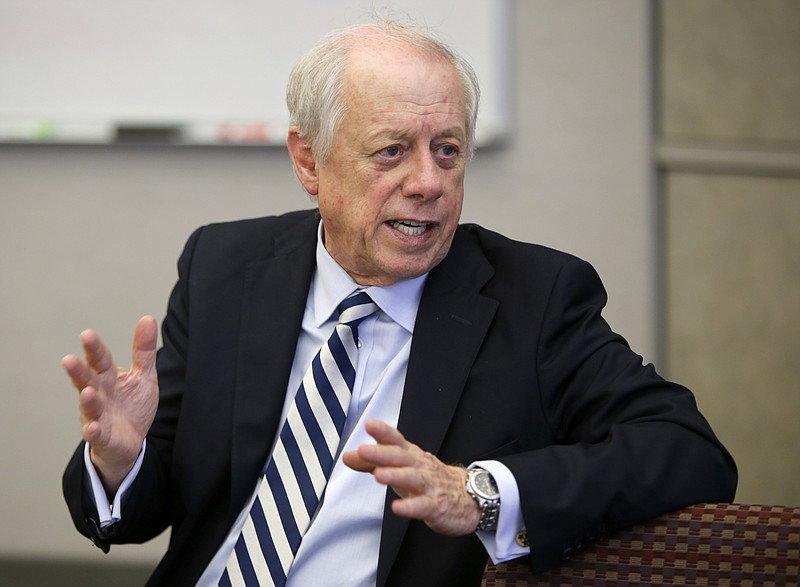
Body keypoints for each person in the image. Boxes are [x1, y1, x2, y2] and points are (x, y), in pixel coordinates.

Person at [62, 20, 736, 587]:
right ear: (310, 161)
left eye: (448, 151)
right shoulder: (226, 269)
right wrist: (119, 461)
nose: (429, 183)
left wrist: (479, 491)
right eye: (392, 151)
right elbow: (147, 511)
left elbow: (689, 452)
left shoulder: (535, 299)